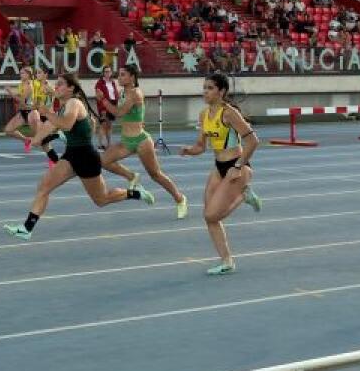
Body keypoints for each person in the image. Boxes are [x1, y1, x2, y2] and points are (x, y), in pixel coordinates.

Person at [3, 72, 155, 240]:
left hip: (86, 157)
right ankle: (27, 228)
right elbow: (47, 127)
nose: (56, 87)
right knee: (43, 187)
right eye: (56, 84)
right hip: (71, 156)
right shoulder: (61, 107)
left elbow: (67, 124)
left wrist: (47, 112)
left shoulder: (74, 103)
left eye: (60, 84)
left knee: (101, 199)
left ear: (71, 88)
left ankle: (136, 194)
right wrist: (33, 141)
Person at [180, 74, 261, 275]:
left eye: (209, 88)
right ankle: (227, 261)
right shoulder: (203, 115)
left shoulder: (229, 113)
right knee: (209, 218)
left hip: (237, 166)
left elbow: (253, 142)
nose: (205, 91)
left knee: (211, 214)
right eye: (204, 87)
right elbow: (201, 146)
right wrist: (190, 150)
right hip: (219, 167)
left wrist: (239, 166)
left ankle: (244, 195)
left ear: (221, 91)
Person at [99, 65, 189, 219]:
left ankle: (180, 199)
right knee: (103, 161)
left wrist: (103, 101)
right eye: (118, 75)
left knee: (156, 174)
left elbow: (120, 113)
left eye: (123, 75)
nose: (119, 77)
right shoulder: (122, 93)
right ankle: (132, 176)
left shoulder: (136, 93)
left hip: (141, 141)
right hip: (126, 141)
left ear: (132, 77)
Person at [94, 65, 119, 149]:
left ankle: (109, 144)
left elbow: (115, 94)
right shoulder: (100, 83)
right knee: (103, 125)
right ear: (103, 73)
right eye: (106, 72)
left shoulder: (112, 82)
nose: (108, 73)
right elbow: (99, 96)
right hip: (104, 105)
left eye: (109, 71)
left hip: (112, 105)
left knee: (109, 125)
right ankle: (101, 144)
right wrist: (102, 109)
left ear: (111, 73)